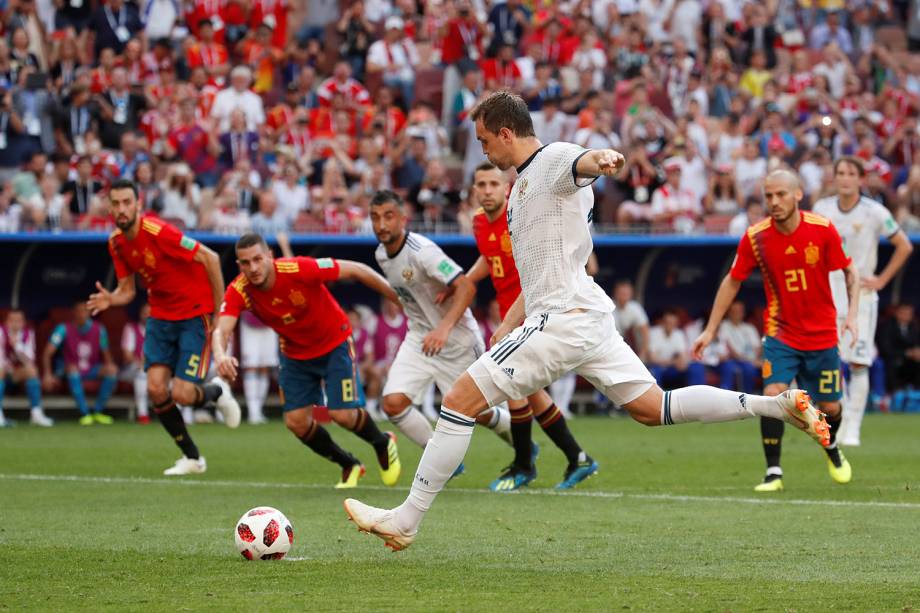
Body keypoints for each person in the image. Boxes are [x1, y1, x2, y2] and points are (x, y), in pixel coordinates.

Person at [343, 91, 830, 551]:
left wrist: (604, 159)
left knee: (458, 399)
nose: (482, 151)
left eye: (484, 140)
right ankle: (777, 407)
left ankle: (406, 520)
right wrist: (512, 319)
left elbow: (585, 161)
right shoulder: (519, 190)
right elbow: (536, 272)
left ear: (506, 133)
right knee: (651, 406)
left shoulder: (553, 159)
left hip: (563, 316)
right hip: (581, 311)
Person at [693, 169, 859, 493]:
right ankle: (773, 472)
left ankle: (831, 448)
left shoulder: (822, 229)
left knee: (831, 408)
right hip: (781, 332)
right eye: (768, 196)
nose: (774, 201)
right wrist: (711, 330)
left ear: (798, 195)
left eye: (781, 194)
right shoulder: (756, 236)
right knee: (772, 397)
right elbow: (733, 280)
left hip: (823, 334)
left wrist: (851, 315)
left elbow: (849, 271)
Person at [213, 233, 402, 489]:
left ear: (270, 256)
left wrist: (399, 299)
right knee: (296, 422)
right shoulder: (239, 290)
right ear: (239, 265)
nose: (253, 268)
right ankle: (349, 464)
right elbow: (221, 330)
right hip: (295, 354)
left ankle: (382, 442)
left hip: (334, 342)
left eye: (258, 259)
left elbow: (358, 270)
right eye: (245, 263)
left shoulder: (299, 268)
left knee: (341, 415)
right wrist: (221, 355)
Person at [87, 179, 242, 476]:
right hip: (160, 316)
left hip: (193, 314)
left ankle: (217, 392)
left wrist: (221, 311)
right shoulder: (116, 242)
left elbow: (209, 257)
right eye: (115, 203)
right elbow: (127, 291)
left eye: (126, 203)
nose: (121, 209)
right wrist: (111, 299)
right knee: (157, 389)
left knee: (183, 393)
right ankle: (193, 458)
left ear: (138, 204)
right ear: (109, 207)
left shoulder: (158, 231)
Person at [468, 162, 597, 490]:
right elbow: (490, 255)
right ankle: (577, 458)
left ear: (505, 188)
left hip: (531, 310)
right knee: (530, 392)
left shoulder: (519, 221)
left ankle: (524, 465)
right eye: (480, 184)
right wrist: (465, 280)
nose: (486, 190)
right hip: (507, 315)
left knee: (511, 384)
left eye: (493, 184)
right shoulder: (479, 223)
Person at [368, 190, 513, 478]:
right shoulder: (381, 254)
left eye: (388, 216)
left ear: (402, 218)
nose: (381, 224)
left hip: (456, 340)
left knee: (479, 412)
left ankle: (522, 446)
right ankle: (444, 459)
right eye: (375, 218)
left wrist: (443, 328)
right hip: (420, 338)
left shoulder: (422, 251)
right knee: (393, 404)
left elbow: (466, 287)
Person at [812, 157, 914, 446]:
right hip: (829, 293)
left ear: (861, 179)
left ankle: (853, 427)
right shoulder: (822, 209)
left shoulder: (875, 212)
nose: (844, 178)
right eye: (840, 173)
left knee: (858, 362)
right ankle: (839, 422)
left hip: (862, 293)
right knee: (831, 362)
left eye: (850, 173)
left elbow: (904, 245)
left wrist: (881, 279)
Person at [42, 301, 118, 426]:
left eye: (85, 310)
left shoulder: (99, 329)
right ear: (74, 313)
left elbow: (106, 353)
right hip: (67, 368)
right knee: (72, 368)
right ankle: (85, 413)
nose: (82, 314)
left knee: (112, 370)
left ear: (90, 312)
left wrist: (112, 374)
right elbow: (47, 353)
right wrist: (47, 374)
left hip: (91, 368)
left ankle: (97, 412)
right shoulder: (63, 328)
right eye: (79, 310)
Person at [0, 308, 52, 427]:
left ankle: (36, 414)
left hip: (16, 375)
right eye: (12, 320)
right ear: (6, 321)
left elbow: (29, 359)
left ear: (23, 322)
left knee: (32, 370)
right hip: (2, 372)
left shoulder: (28, 333)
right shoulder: (1, 332)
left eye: (18, 320)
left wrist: (17, 346)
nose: (15, 323)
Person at [717, 301, 761, 394]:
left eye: (740, 311)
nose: (737, 313)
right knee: (729, 367)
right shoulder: (723, 326)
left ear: (743, 313)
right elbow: (728, 347)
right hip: (730, 359)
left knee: (750, 369)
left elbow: (757, 348)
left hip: (748, 361)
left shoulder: (749, 328)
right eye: (734, 311)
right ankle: (725, 398)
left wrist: (753, 360)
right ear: (729, 312)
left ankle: (748, 397)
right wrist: (749, 360)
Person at [121, 303, 150, 424]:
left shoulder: (161, 331)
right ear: (140, 314)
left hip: (153, 370)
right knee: (141, 373)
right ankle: (143, 415)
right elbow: (127, 357)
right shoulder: (131, 328)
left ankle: (182, 417)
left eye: (151, 314)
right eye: (145, 313)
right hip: (130, 370)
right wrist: (142, 363)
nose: (148, 316)